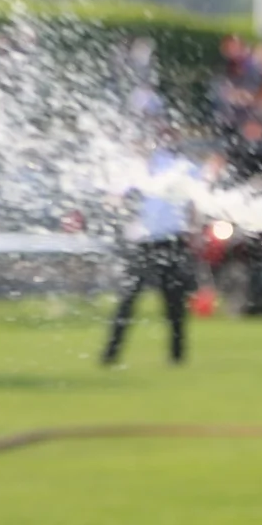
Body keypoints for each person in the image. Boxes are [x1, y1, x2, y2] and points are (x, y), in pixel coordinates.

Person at [101, 144, 200, 366]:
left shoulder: (177, 169)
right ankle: (111, 354)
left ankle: (177, 356)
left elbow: (192, 204)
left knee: (173, 301)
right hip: (145, 242)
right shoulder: (136, 171)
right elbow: (115, 198)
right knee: (129, 298)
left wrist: (193, 232)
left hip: (172, 240)